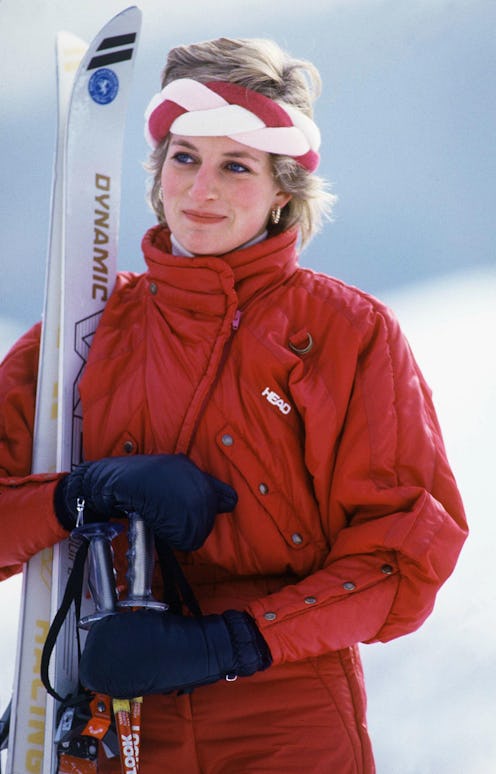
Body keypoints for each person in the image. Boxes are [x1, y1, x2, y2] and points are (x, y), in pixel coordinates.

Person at [0, 36, 468, 773]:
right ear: (155, 172)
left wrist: (228, 643)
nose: (201, 190)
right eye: (184, 158)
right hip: (111, 708)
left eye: (236, 167)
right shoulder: (79, 333)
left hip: (286, 715)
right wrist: (78, 495)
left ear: (285, 189)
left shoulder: (345, 333)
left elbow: (403, 555)